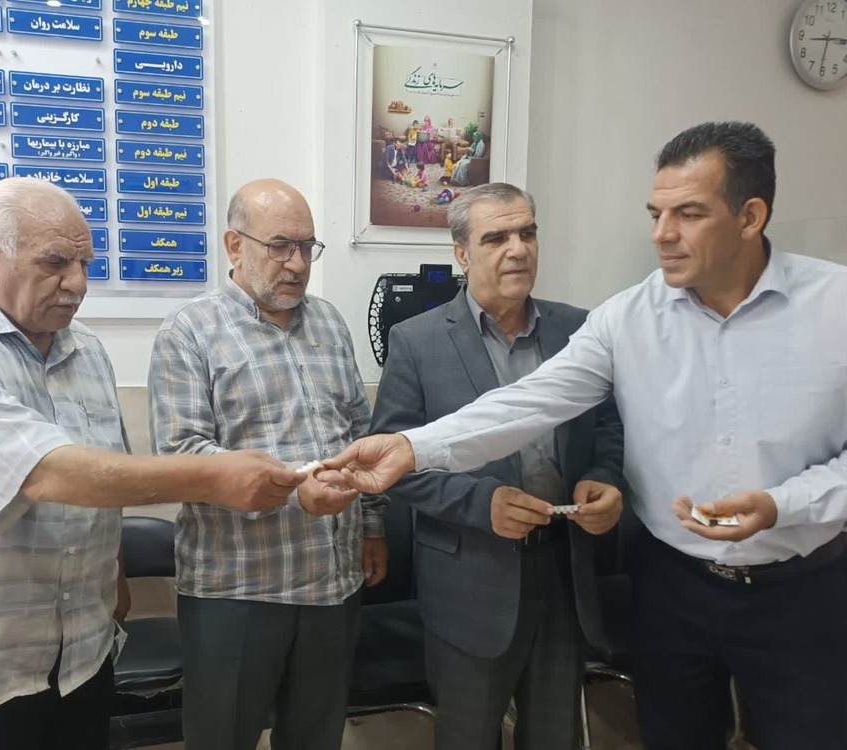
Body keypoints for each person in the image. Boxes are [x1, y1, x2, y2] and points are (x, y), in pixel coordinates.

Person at [323, 121, 847, 750]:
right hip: (673, 587)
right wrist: (411, 449)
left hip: (801, 588)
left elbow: (604, 434)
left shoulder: (834, 307)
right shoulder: (627, 319)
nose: (661, 234)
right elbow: (529, 402)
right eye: (655, 214)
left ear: (750, 216)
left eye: (688, 214)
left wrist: (782, 504)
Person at [0, 176, 306, 750]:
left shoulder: (86, 351)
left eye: (85, 263)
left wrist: (115, 575)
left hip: (83, 651)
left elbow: (107, 472)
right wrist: (216, 475)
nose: (78, 283)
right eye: (55, 263)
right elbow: (45, 473)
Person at [369, 182, 626, 750]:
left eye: (527, 233)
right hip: (471, 577)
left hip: (564, 569)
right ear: (462, 253)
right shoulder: (417, 342)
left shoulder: (579, 330)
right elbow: (396, 462)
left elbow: (609, 425)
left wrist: (604, 477)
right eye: (497, 238)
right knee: (468, 735)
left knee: (555, 734)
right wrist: (480, 503)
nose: (518, 249)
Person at [148, 178, 388, 750]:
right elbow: (183, 454)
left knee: (316, 737)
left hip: (333, 583)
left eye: (307, 246)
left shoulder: (328, 322)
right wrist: (297, 490)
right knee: (223, 737)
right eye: (280, 246)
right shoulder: (189, 332)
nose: (298, 264)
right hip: (239, 589)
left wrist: (373, 524)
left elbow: (360, 430)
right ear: (235, 245)